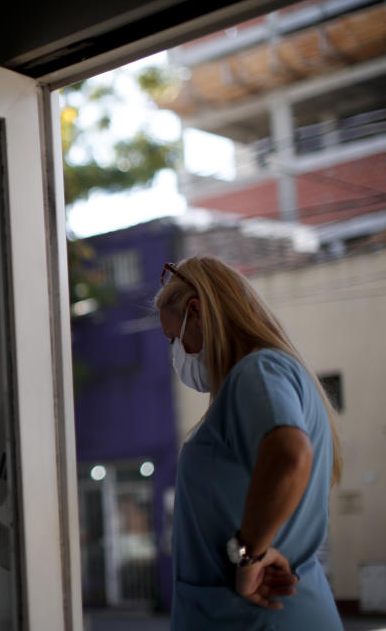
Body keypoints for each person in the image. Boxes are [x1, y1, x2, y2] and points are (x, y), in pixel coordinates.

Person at [155, 256, 343, 630]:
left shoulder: (257, 372)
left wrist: (247, 555)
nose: (176, 351)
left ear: (197, 311)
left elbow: (290, 456)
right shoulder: (268, 376)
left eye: (174, 337)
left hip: (257, 619)